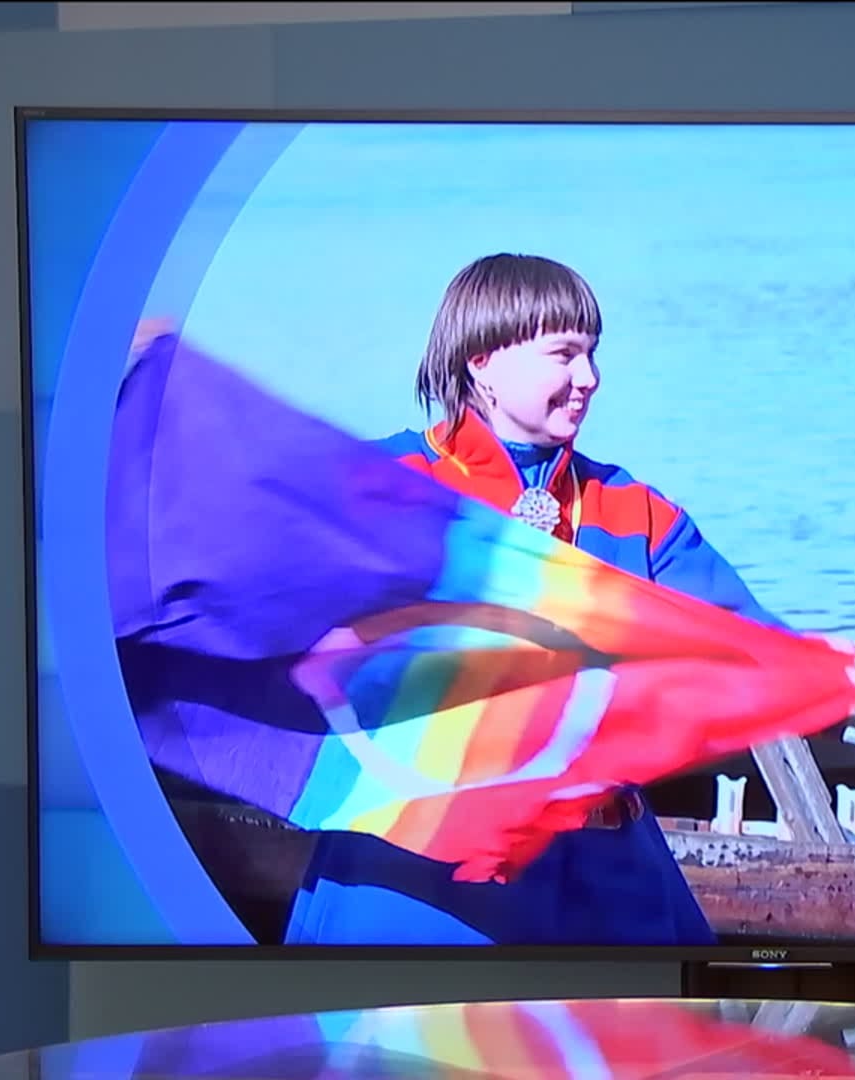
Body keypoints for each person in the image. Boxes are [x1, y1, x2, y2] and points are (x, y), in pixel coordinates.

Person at [283, 252, 786, 946]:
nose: (590, 377)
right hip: (416, 885)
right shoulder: (379, 486)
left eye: (592, 353)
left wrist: (839, 674)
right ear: (483, 362)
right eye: (564, 354)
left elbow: (755, 653)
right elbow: (257, 599)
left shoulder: (632, 512)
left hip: (604, 886)